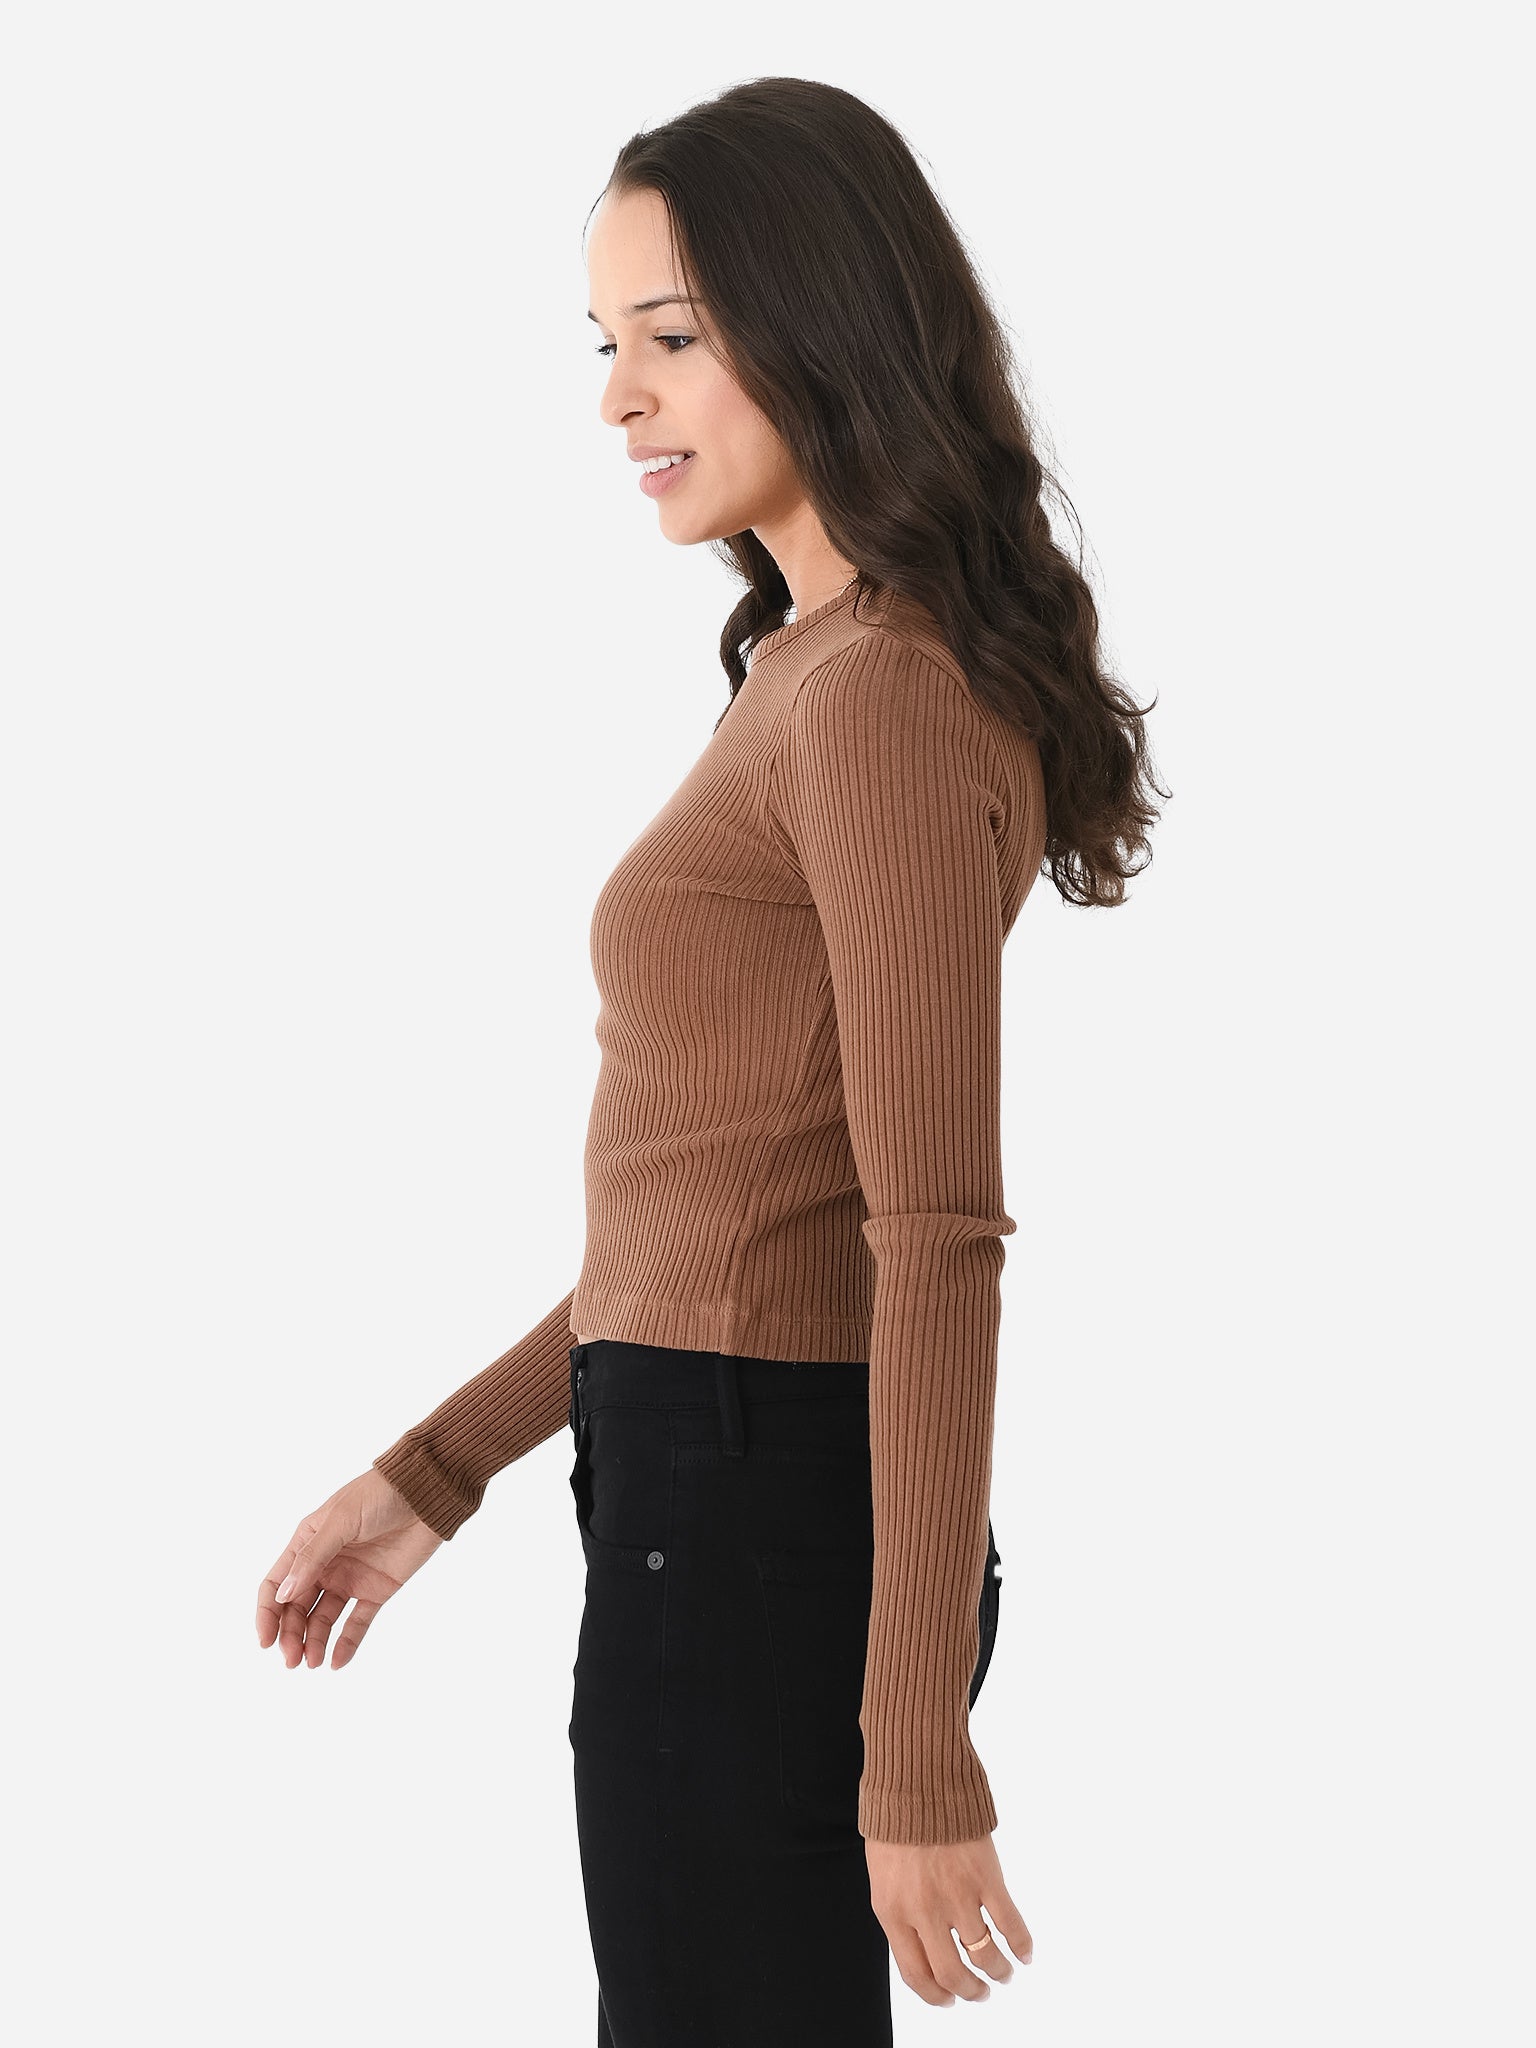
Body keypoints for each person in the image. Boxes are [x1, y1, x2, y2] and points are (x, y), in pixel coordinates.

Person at [255, 76, 1164, 2047]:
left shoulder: (883, 693)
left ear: (820, 322)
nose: (619, 398)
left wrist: (916, 1749)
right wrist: (437, 1470)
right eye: (605, 343)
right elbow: (722, 1206)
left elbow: (934, 1239)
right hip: (721, 1484)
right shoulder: (813, 669)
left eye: (668, 337)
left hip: (759, 1519)